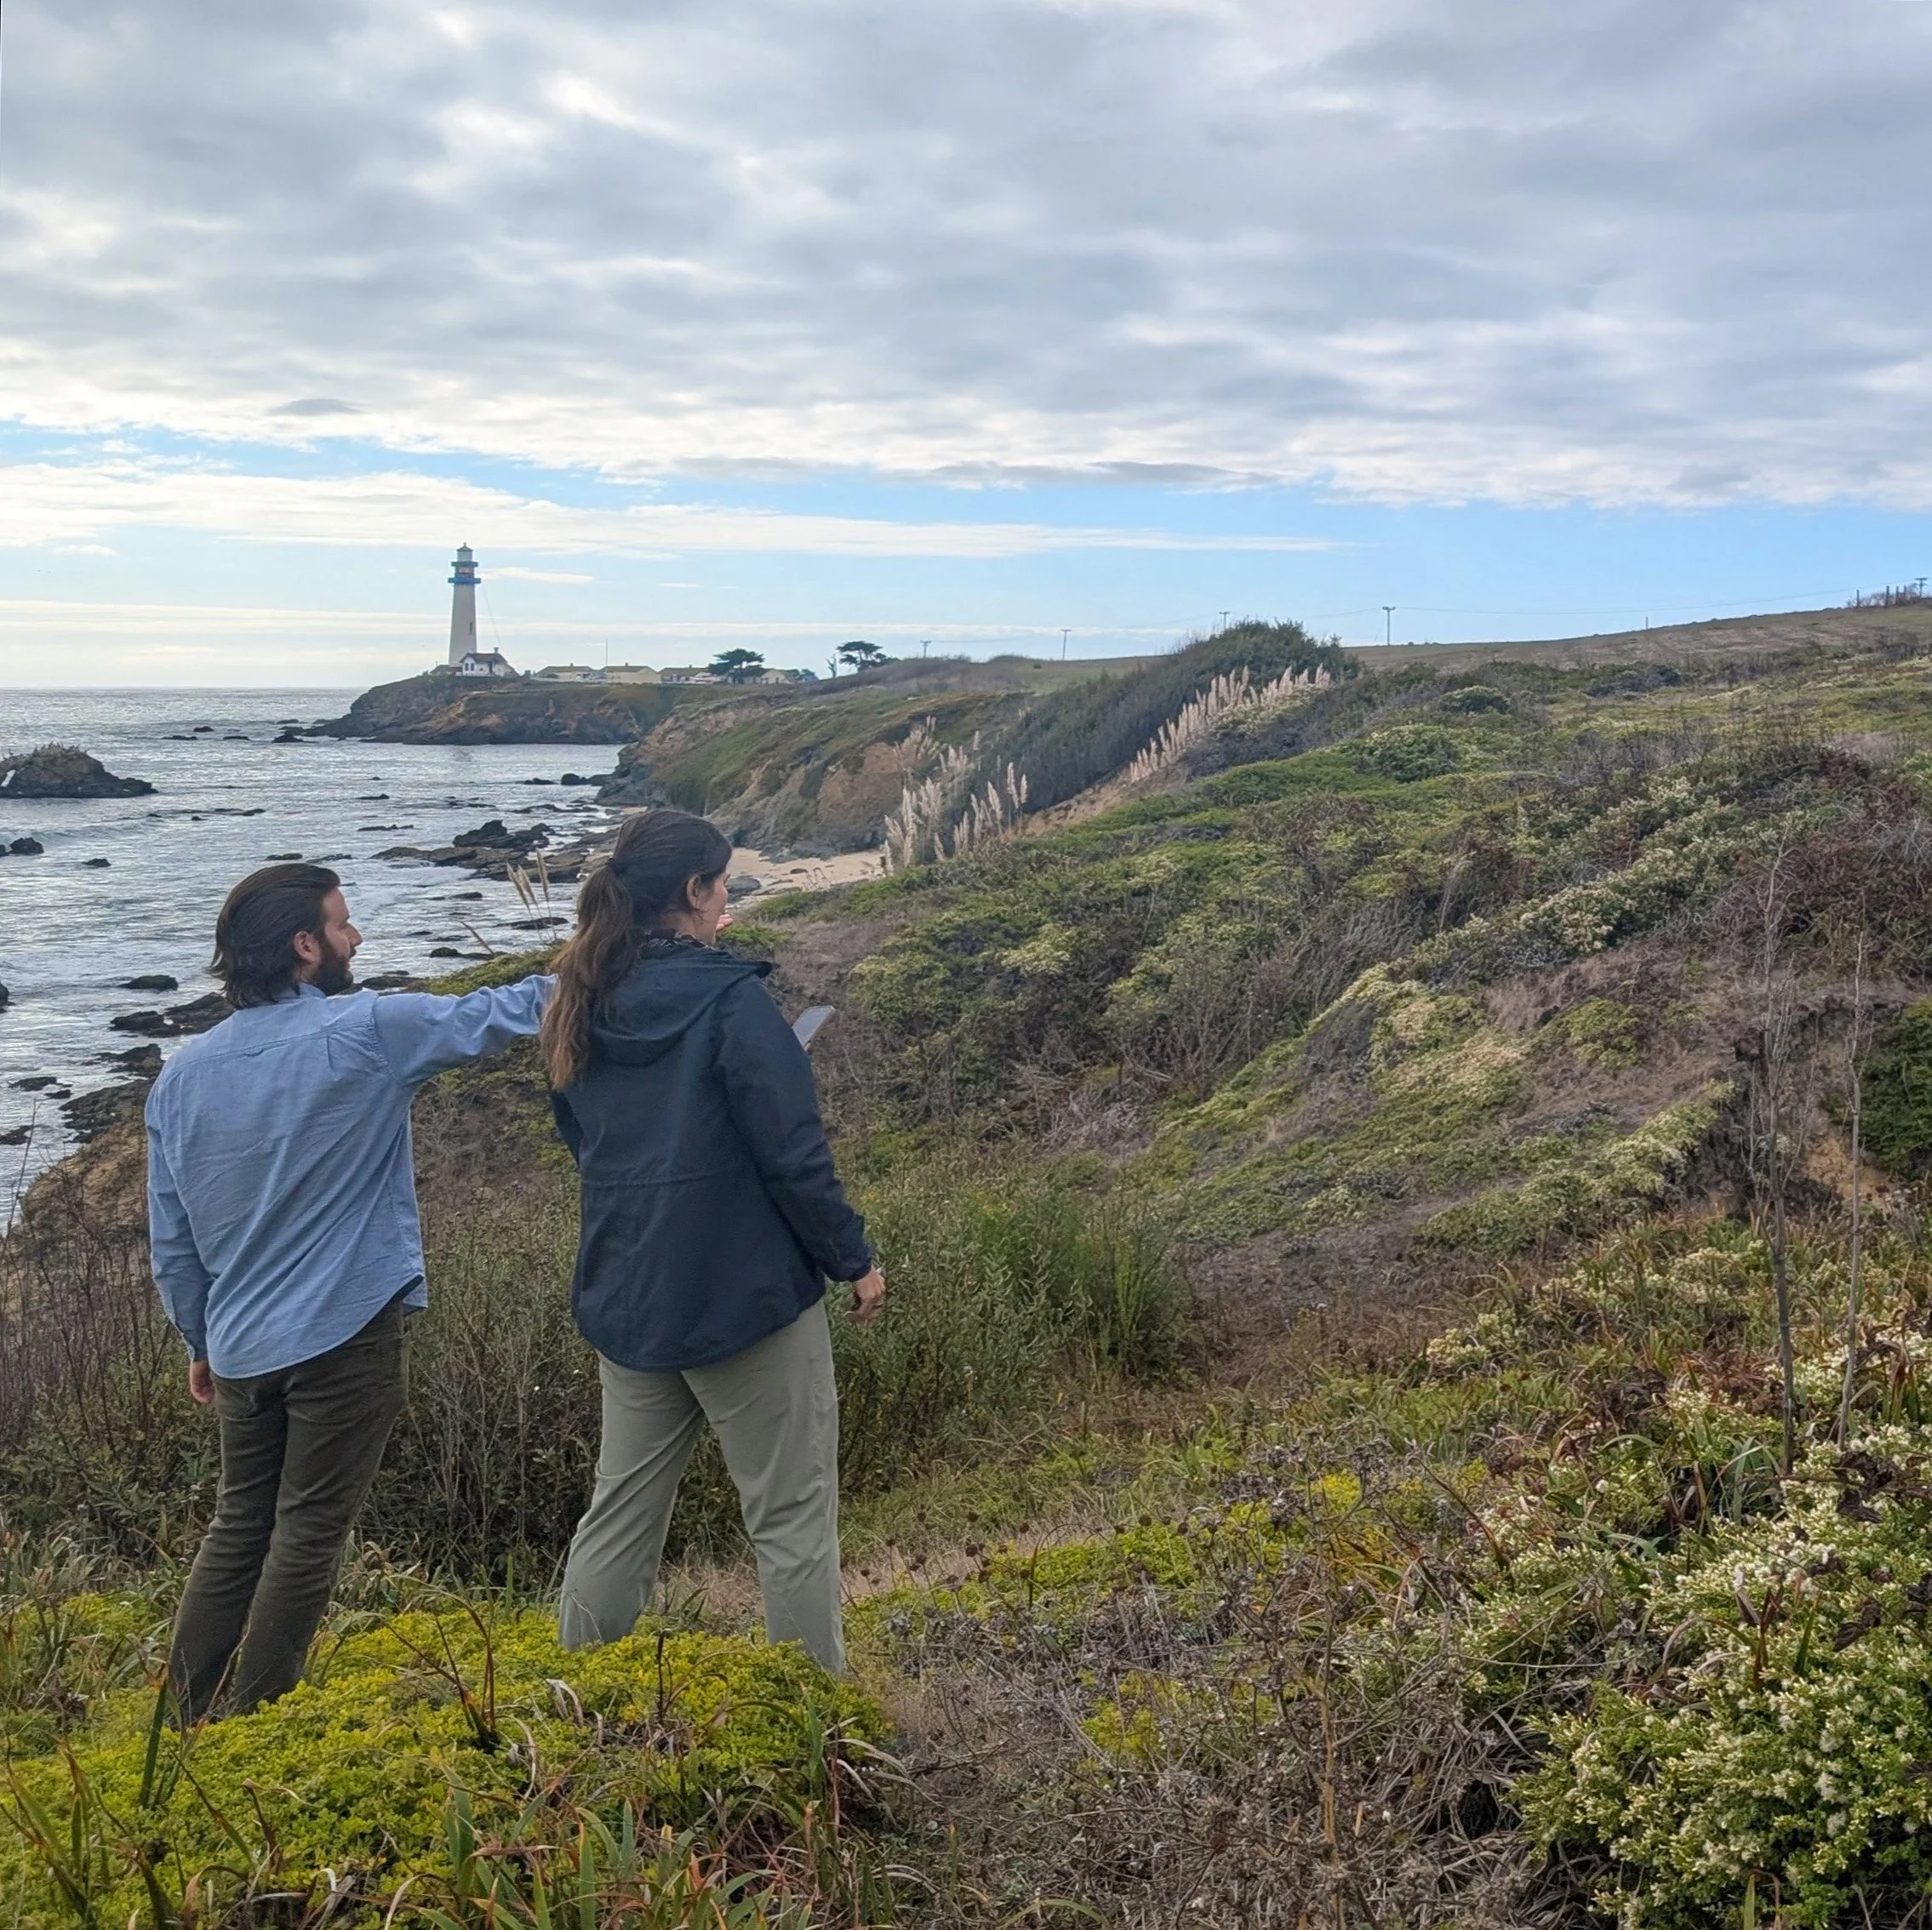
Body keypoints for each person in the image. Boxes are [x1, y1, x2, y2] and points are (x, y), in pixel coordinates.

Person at [146, 862, 552, 1722]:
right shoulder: (367, 1030)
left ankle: (178, 1723)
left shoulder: (179, 1080)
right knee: (307, 1533)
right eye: (342, 923)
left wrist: (201, 1344)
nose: (355, 938)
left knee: (236, 1528)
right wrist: (620, 956)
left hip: (243, 1345)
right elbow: (505, 1011)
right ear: (304, 947)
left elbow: (173, 1242)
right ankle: (251, 1726)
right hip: (343, 1334)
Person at [541, 809, 884, 1674]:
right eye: (721, 880)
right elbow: (794, 1158)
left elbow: (582, 1138)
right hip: (747, 1302)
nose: (727, 893)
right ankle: (818, 1731)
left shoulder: (580, 1000)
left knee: (617, 1516)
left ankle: (568, 1708)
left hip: (628, 1296)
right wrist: (854, 1260)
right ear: (695, 893)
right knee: (791, 1520)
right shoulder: (732, 1002)